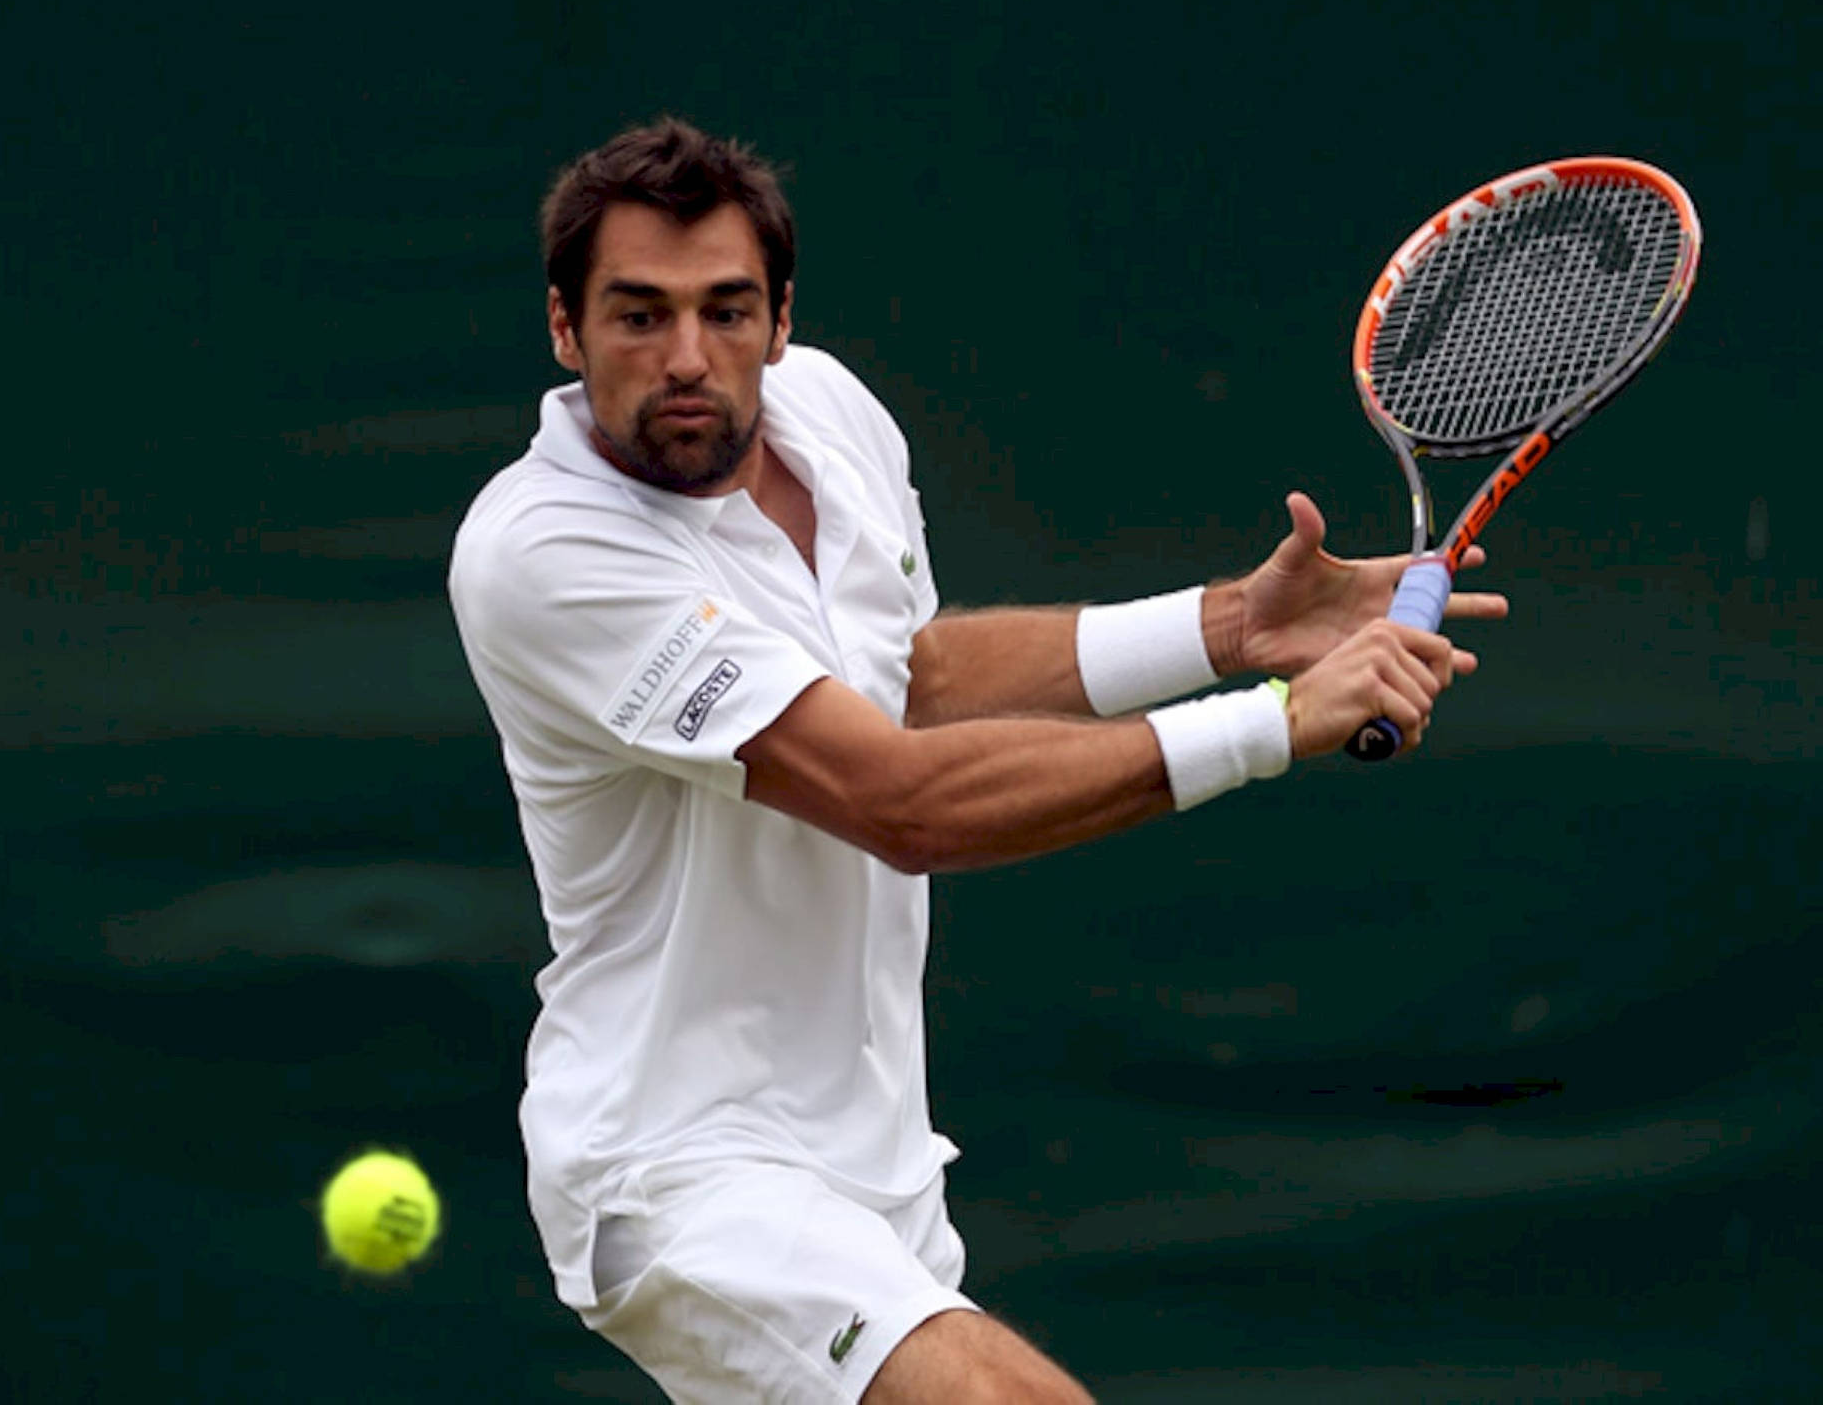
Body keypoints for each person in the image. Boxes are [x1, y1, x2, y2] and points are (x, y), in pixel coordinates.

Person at [447, 117, 1505, 1404]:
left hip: (880, 1166)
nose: (688, 358)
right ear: (564, 330)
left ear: (782, 323)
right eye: (639, 316)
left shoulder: (829, 418)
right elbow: (901, 799)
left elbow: (912, 679)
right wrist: (1275, 719)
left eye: (728, 313)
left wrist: (1230, 627)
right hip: (678, 1169)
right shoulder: (546, 553)